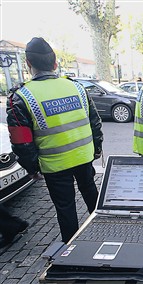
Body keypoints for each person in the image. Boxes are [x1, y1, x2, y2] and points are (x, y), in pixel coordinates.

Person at [6, 37, 104, 243]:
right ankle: (104, 233)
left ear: (29, 64)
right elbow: (94, 122)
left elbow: (22, 142)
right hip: (84, 157)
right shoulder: (76, 87)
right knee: (92, 195)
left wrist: (32, 168)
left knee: (65, 208)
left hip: (54, 165)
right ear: (55, 63)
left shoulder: (22, 97)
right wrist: (96, 148)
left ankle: (71, 251)